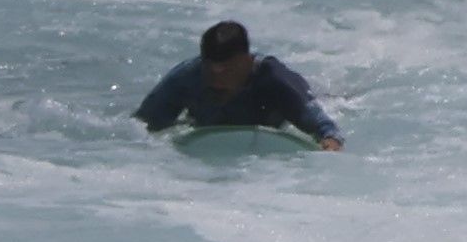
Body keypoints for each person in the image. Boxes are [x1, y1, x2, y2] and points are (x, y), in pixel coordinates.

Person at [136, 19, 342, 149]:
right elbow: (143, 124)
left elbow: (326, 129)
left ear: (247, 61)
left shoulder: (274, 80)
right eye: (210, 70)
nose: (217, 79)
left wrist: (330, 143)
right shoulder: (187, 77)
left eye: (227, 70)